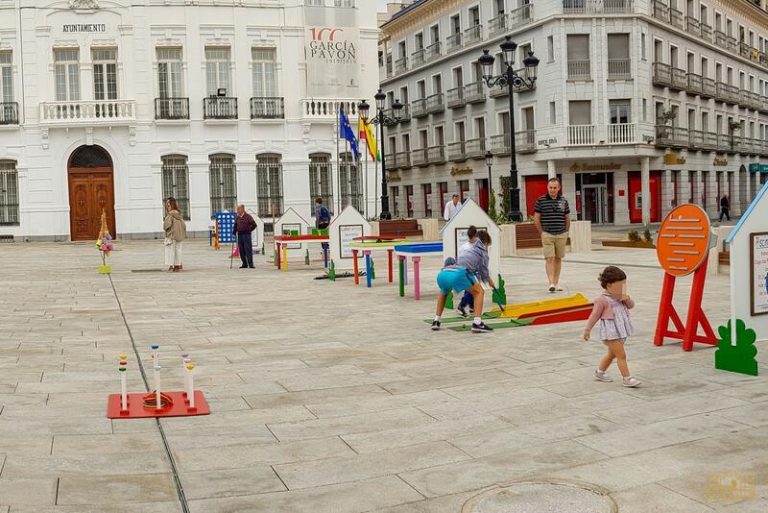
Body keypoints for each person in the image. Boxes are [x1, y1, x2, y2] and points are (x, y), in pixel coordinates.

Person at [583, 266, 641, 388]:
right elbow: (594, 315)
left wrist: (626, 298)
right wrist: (588, 329)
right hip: (611, 331)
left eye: (624, 285)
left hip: (620, 330)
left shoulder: (620, 297)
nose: (623, 288)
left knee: (612, 354)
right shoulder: (602, 300)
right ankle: (627, 378)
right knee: (621, 355)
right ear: (609, 285)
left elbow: (631, 306)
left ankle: (599, 373)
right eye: (620, 286)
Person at [432, 230, 495, 333]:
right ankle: (477, 323)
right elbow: (483, 271)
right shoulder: (482, 252)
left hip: (443, 274)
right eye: (487, 245)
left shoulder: (466, 248)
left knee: (444, 293)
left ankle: (436, 321)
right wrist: (490, 281)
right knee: (480, 292)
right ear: (484, 243)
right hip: (459, 273)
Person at [534, 178, 571, 293]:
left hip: (561, 234)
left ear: (559, 188)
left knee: (558, 259)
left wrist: (566, 231)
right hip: (547, 234)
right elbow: (536, 218)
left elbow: (567, 217)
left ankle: (556, 283)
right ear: (547, 187)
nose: (552, 190)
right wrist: (542, 232)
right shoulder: (541, 200)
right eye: (550, 187)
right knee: (550, 258)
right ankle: (551, 283)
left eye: (555, 188)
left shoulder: (563, 201)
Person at [456, 225, 478, 317]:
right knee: (471, 290)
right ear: (473, 236)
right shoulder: (469, 248)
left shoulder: (464, 247)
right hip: (467, 271)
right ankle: (461, 306)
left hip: (467, 270)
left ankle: (472, 307)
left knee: (471, 290)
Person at [163, 197, 186, 272]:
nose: (167, 207)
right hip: (179, 236)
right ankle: (178, 265)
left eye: (168, 205)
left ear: (171, 205)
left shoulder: (170, 215)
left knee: (171, 251)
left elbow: (166, 225)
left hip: (172, 235)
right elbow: (184, 226)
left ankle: (172, 265)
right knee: (178, 250)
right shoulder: (179, 214)